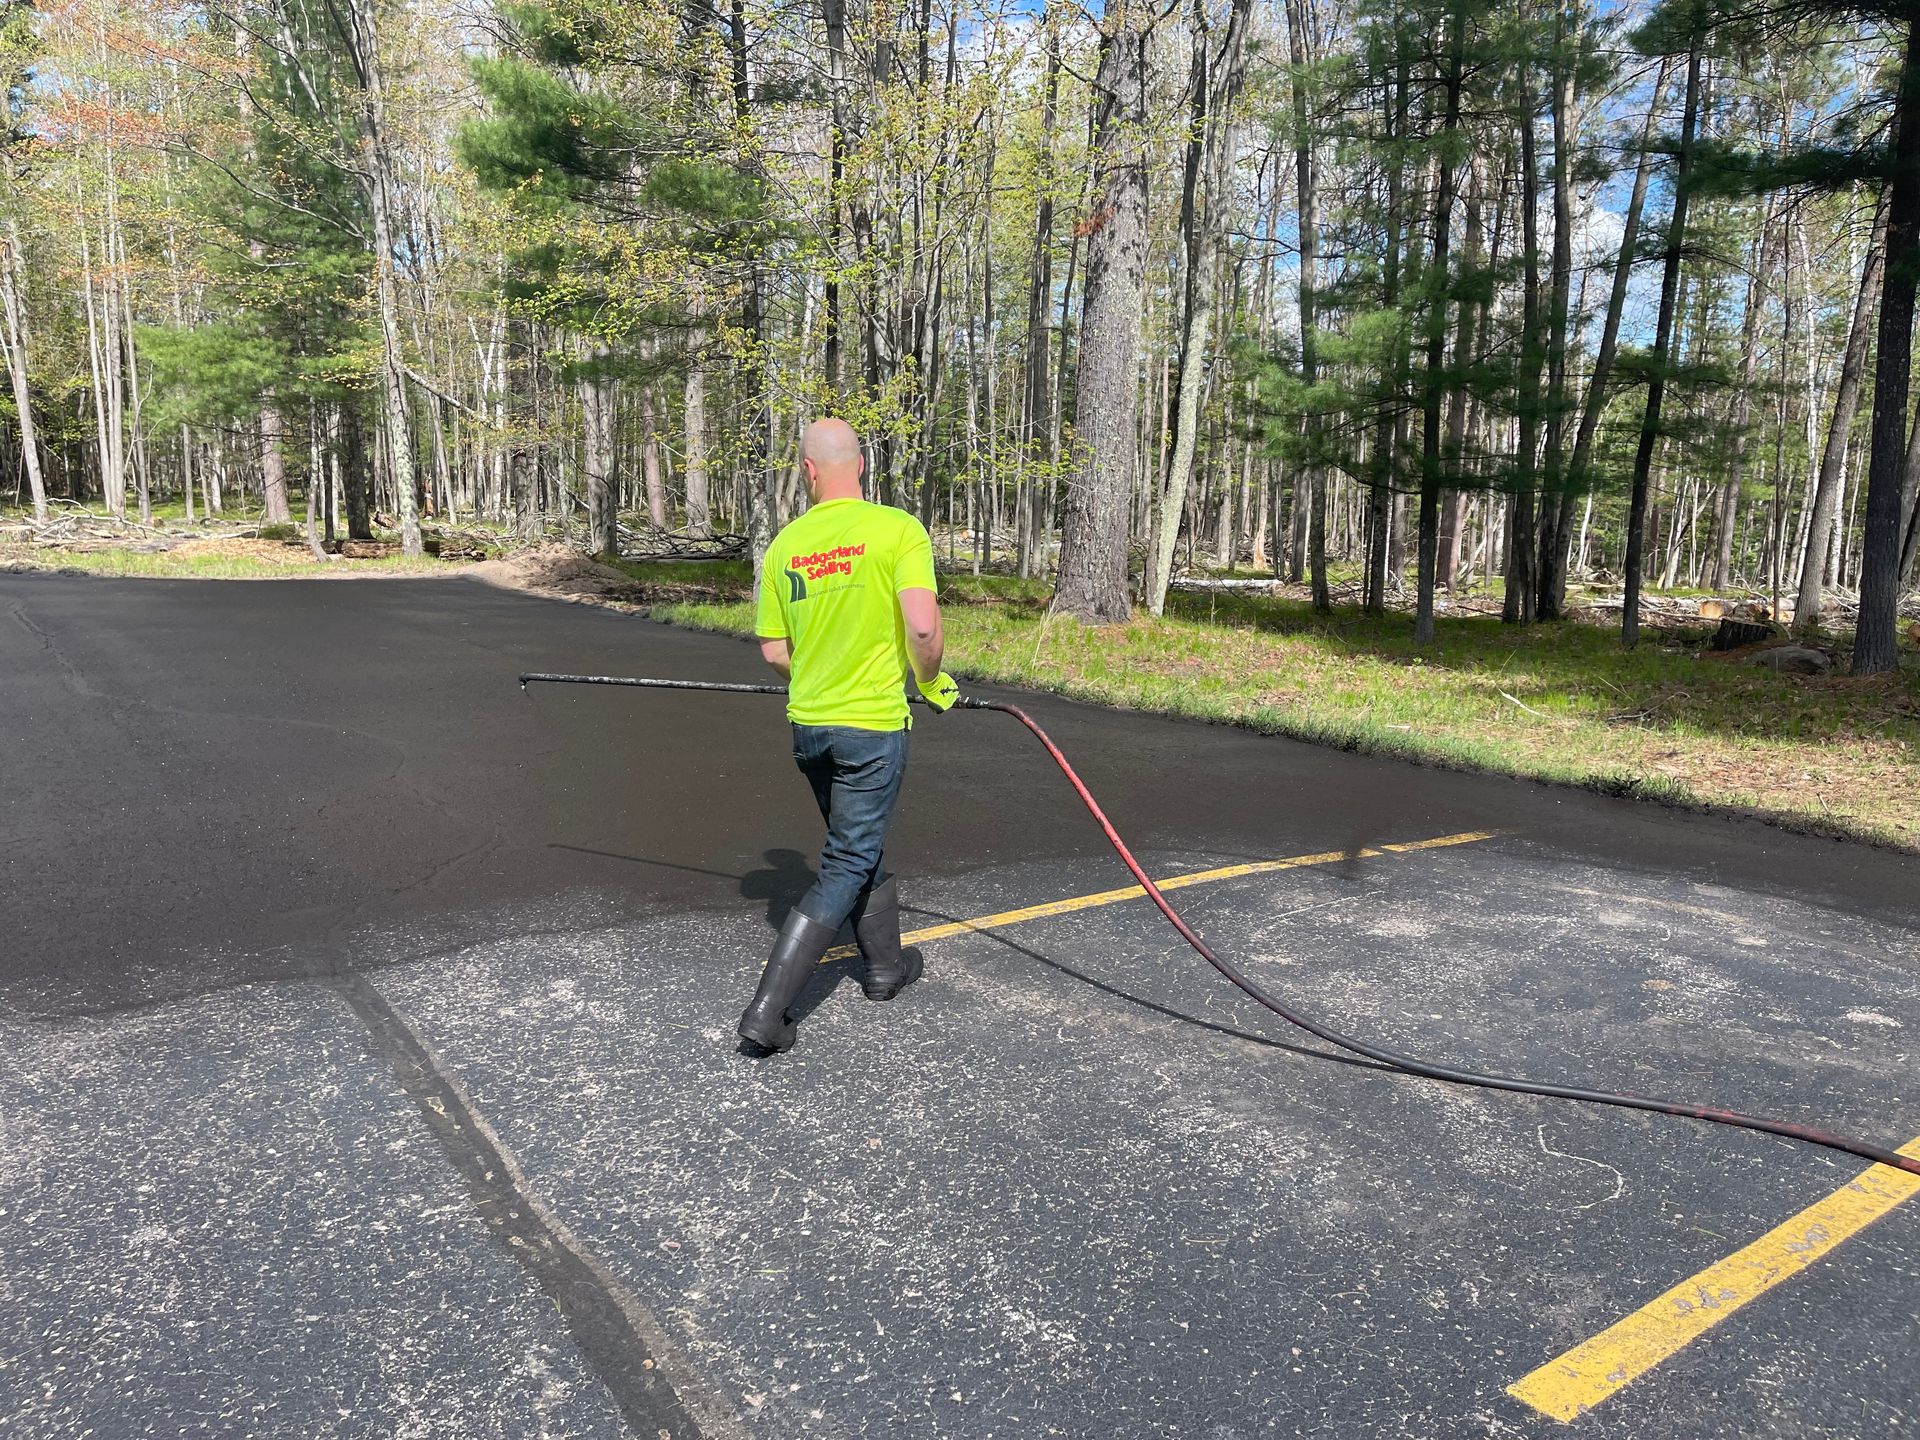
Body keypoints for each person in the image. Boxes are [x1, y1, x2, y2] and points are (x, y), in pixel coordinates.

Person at [737, 418, 959, 1053]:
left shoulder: (784, 547)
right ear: (860, 465)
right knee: (846, 860)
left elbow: (775, 649)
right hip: (870, 726)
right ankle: (768, 1012)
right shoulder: (896, 531)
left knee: (858, 844)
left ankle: (885, 968)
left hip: (811, 726)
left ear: (807, 471)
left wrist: (818, 671)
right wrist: (931, 679)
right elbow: (921, 631)